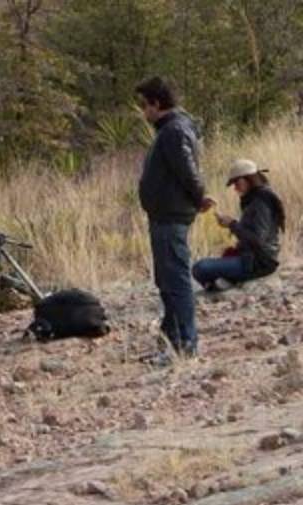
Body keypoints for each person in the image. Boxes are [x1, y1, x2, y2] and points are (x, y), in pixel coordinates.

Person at [136, 76, 214, 359]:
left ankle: (184, 346)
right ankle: (170, 343)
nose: (144, 111)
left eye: (145, 105)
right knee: (167, 281)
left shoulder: (174, 131)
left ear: (157, 103)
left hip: (171, 218)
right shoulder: (171, 130)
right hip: (164, 216)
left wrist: (199, 197)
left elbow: (188, 171)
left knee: (177, 282)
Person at [192, 159, 284, 292]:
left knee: (200, 268)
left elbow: (257, 240)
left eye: (236, 182)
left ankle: (223, 284)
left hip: (258, 262)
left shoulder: (261, 202)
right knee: (205, 266)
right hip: (254, 258)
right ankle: (225, 281)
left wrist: (233, 224)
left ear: (249, 179)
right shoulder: (256, 199)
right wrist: (230, 224)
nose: (235, 187)